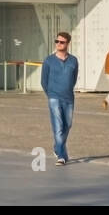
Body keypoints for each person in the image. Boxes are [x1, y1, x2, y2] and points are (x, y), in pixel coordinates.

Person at [41, 32, 78, 166]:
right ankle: (61, 155)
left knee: (67, 125)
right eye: (57, 41)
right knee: (58, 126)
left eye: (62, 42)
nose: (58, 44)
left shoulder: (73, 60)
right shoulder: (48, 60)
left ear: (67, 43)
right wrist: (51, 94)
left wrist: (67, 89)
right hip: (54, 97)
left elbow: (73, 79)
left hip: (69, 97)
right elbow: (43, 81)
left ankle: (57, 147)